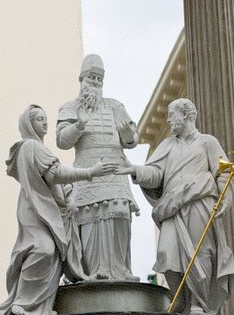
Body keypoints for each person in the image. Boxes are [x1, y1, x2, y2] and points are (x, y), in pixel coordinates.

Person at [116, 98, 234, 314]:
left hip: (200, 203)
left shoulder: (207, 142)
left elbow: (223, 172)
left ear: (187, 115)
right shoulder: (167, 145)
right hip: (172, 208)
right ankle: (179, 296)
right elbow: (156, 175)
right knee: (167, 253)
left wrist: (226, 196)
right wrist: (135, 170)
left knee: (202, 253)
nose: (169, 120)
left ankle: (199, 303)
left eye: (172, 114)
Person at [0, 105, 118, 315]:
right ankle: (24, 302)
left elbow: (63, 185)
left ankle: (40, 308)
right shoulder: (29, 147)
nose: (45, 122)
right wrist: (92, 171)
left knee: (53, 254)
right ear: (28, 124)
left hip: (50, 210)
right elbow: (55, 174)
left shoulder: (42, 150)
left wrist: (70, 198)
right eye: (39, 119)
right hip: (35, 208)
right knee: (42, 249)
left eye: (46, 118)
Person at [56, 54, 140, 281]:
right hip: (88, 173)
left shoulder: (115, 106)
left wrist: (127, 134)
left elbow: (133, 139)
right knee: (89, 220)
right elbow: (62, 141)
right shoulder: (70, 107)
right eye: (90, 77)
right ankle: (95, 272)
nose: (94, 82)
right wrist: (80, 123)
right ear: (81, 79)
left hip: (116, 170)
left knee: (120, 214)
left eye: (98, 78)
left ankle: (121, 271)